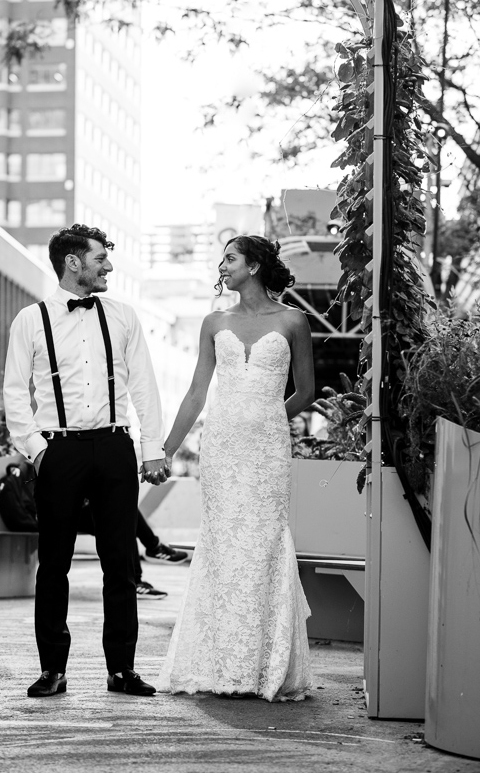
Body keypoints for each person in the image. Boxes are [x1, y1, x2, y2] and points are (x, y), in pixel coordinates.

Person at [3, 224, 168, 698]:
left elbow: (144, 385)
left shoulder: (122, 315)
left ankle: (122, 670)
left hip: (115, 447)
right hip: (60, 450)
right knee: (54, 564)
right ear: (73, 262)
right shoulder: (30, 320)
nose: (109, 266)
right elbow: (16, 392)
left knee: (121, 562)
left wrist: (151, 447)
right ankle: (53, 668)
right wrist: (39, 451)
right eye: (101, 259)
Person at [157, 235, 315, 701]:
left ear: (257, 266)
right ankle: (218, 661)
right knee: (224, 542)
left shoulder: (294, 320)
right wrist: (166, 450)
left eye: (231, 258)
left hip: (267, 450)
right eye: (222, 260)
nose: (222, 266)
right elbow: (195, 394)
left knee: (265, 541)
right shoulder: (213, 322)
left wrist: (267, 417)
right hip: (221, 447)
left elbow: (305, 392)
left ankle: (267, 665)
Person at [76, 502, 189, 600]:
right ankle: (154, 549)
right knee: (122, 514)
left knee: (124, 510)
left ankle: (139, 575)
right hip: (70, 512)